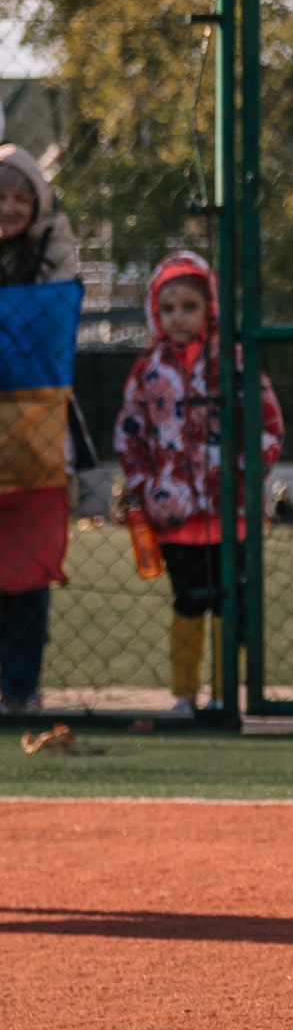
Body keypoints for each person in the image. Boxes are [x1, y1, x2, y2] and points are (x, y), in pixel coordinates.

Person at [113, 252, 283, 717]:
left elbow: (268, 424)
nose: (177, 318)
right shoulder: (148, 370)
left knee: (233, 606)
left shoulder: (235, 360)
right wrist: (147, 487)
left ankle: (227, 694)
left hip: (233, 512)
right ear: (154, 311)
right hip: (175, 515)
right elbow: (131, 436)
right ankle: (184, 695)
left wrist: (244, 474)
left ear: (210, 307)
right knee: (188, 602)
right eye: (167, 308)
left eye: (188, 306)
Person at [0, 143, 79, 715]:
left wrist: (52, 231)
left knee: (27, 565)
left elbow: (52, 324)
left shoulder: (54, 256)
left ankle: (22, 686)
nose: (8, 209)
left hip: (34, 428)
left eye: (20, 198)